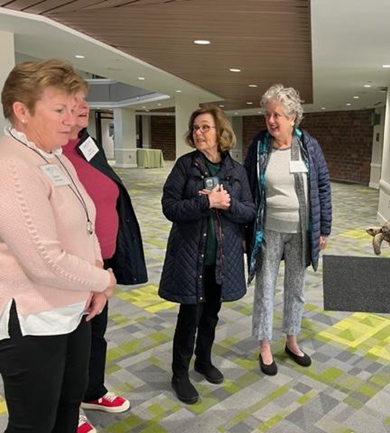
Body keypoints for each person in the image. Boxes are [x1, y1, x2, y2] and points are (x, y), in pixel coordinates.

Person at [0, 59, 116, 433]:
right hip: (34, 319)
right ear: (22, 111)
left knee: (68, 409)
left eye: (73, 107)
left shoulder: (54, 154)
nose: (71, 119)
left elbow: (86, 220)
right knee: (34, 424)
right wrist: (103, 280)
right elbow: (44, 261)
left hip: (71, 309)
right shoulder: (12, 165)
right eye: (59, 109)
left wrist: (94, 276)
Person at [62, 93, 148, 433]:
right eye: (74, 100)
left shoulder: (87, 143)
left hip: (103, 258)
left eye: (85, 99)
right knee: (70, 340)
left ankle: (91, 390)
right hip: (72, 262)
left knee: (95, 332)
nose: (84, 106)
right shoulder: (51, 151)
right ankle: (67, 410)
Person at [158, 106, 255, 404]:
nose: (198, 132)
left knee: (211, 314)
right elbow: (169, 207)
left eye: (205, 127)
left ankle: (203, 360)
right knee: (190, 316)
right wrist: (206, 203)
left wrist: (228, 204)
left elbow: (249, 212)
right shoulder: (185, 166)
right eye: (195, 127)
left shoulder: (236, 171)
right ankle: (179, 374)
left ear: (220, 132)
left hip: (222, 258)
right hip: (191, 257)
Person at [244, 84, 332, 376]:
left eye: (277, 115)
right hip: (267, 230)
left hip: (301, 231)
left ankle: (292, 340)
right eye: (267, 114)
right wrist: (246, 230)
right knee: (265, 288)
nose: (271, 120)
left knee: (296, 288)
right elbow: (247, 188)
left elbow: (322, 187)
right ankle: (265, 344)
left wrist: (324, 229)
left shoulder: (308, 146)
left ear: (293, 117)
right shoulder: (259, 146)